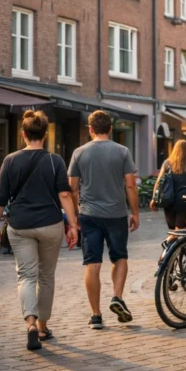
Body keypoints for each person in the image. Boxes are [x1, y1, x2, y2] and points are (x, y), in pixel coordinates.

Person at [0, 111, 79, 351]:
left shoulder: (10, 160)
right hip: (50, 224)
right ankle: (42, 327)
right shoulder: (55, 160)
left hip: (20, 225)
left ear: (23, 134)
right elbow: (64, 195)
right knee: (46, 276)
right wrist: (72, 225)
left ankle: (29, 322)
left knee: (26, 276)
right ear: (45, 134)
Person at [68, 110, 139, 330]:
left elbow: (72, 188)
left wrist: (76, 215)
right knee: (120, 257)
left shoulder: (79, 153)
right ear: (110, 129)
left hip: (89, 214)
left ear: (90, 129)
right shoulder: (122, 151)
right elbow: (130, 184)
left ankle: (96, 316)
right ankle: (117, 296)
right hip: (116, 213)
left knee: (92, 263)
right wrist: (135, 212)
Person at [151, 140, 186, 230]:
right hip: (185, 201)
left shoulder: (167, 164)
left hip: (168, 200)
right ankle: (168, 243)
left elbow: (159, 182)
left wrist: (154, 198)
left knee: (173, 230)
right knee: (181, 231)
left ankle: (170, 243)